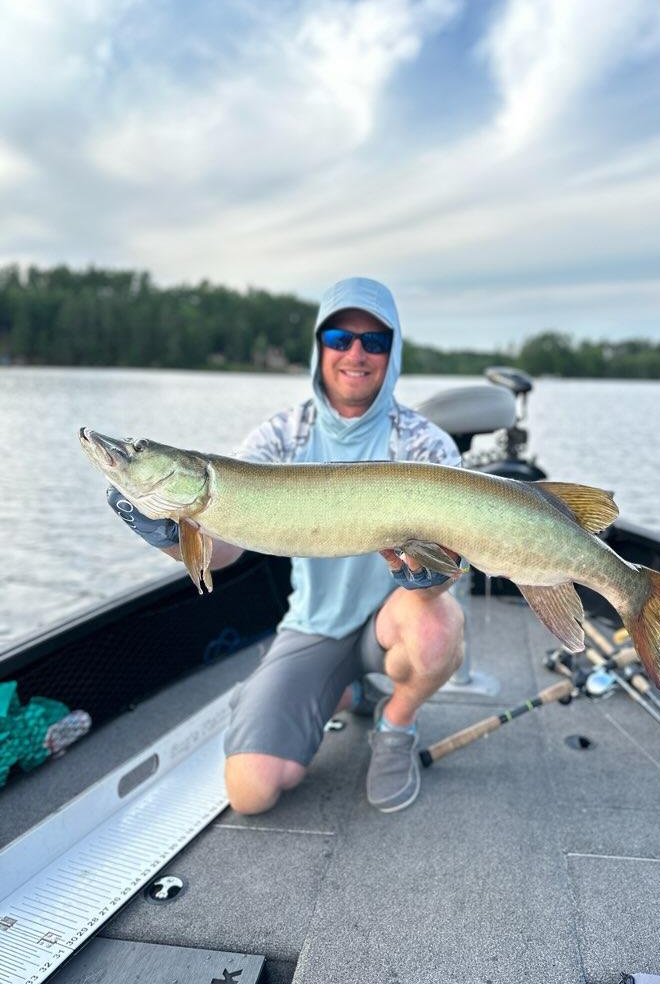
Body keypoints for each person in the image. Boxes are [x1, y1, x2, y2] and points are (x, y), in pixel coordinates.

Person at [107, 278, 465, 814]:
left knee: (438, 627)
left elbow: (448, 568)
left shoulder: (424, 444)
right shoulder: (279, 439)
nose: (356, 353)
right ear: (319, 346)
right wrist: (176, 538)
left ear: (393, 355)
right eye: (341, 337)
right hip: (314, 625)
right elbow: (224, 550)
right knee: (250, 792)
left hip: (396, 619)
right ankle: (353, 691)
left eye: (374, 342)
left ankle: (397, 724)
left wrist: (432, 576)